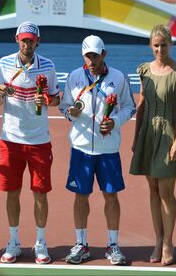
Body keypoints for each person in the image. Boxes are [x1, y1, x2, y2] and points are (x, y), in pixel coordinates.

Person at [59, 35, 135, 266]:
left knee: (110, 196)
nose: (92, 60)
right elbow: (64, 106)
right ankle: (81, 244)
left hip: (108, 148)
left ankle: (113, 245)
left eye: (95, 55)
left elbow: (130, 107)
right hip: (81, 148)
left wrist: (116, 122)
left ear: (104, 54)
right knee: (81, 196)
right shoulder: (74, 77)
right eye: (88, 56)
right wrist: (69, 113)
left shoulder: (118, 77)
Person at [0, 21, 60, 265]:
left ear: (37, 41)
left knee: (40, 193)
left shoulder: (48, 66)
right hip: (10, 140)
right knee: (12, 193)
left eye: (31, 40)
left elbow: (55, 99)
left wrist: (47, 99)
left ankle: (40, 242)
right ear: (16, 40)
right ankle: (14, 241)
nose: (27, 44)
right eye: (23, 40)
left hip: (39, 141)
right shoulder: (4, 64)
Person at [129, 25, 176, 266]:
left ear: (170, 45)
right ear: (150, 46)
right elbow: (142, 104)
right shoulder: (144, 70)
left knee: (166, 193)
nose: (159, 49)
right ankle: (158, 240)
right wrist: (136, 138)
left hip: (169, 135)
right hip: (147, 135)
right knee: (153, 190)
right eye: (155, 45)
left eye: (163, 45)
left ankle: (168, 242)